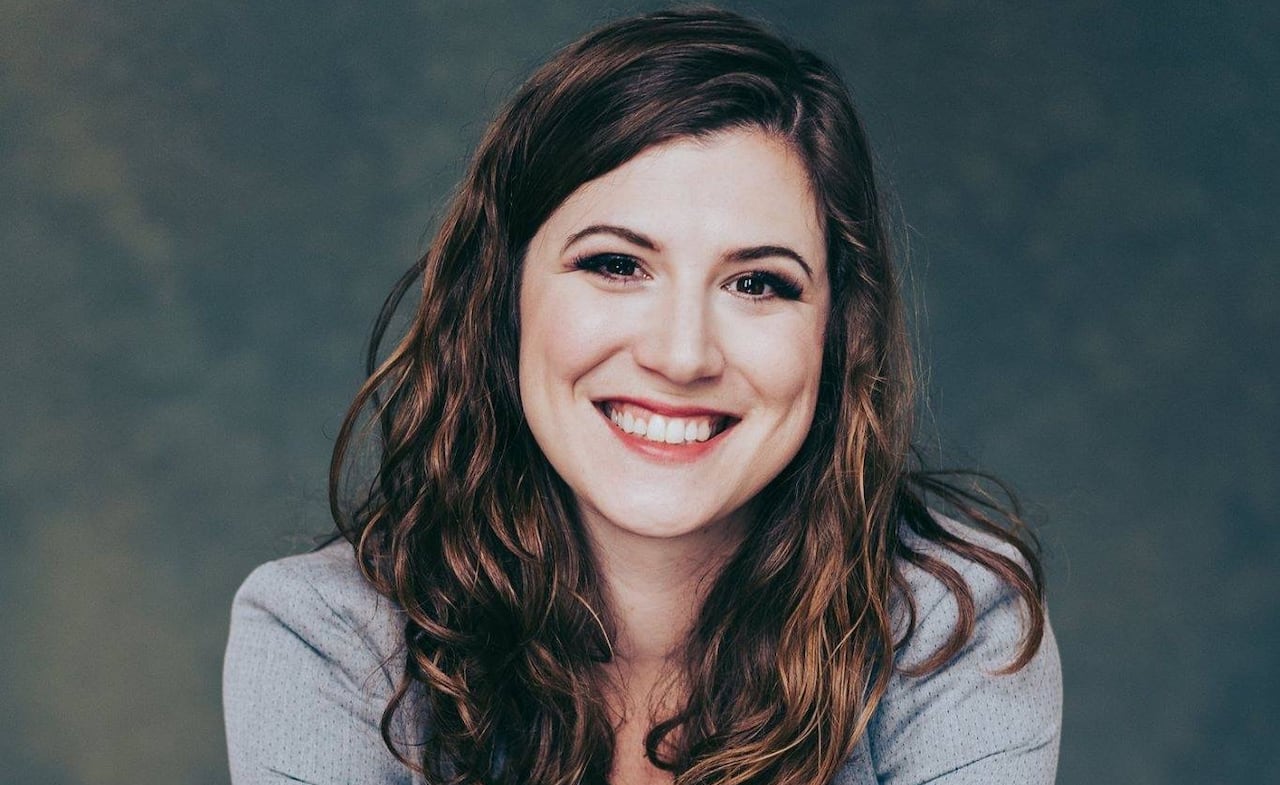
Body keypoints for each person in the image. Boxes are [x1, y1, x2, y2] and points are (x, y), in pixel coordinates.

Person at [223, 7, 1061, 785]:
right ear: (502, 300)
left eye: (758, 283)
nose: (682, 354)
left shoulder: (952, 622)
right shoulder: (329, 636)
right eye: (617, 265)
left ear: (837, 332)